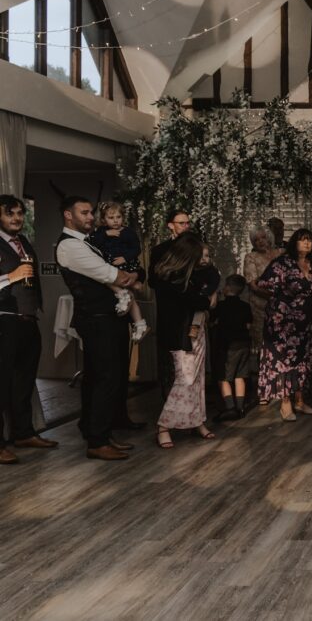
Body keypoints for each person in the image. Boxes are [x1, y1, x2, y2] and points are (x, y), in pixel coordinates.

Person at [56, 196, 138, 460]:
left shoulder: (87, 242)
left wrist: (131, 275)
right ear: (68, 215)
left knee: (98, 377)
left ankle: (96, 431)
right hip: (96, 318)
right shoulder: (70, 246)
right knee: (105, 378)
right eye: (84, 212)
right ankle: (97, 441)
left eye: (91, 212)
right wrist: (131, 277)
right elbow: (114, 275)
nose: (91, 217)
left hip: (105, 317)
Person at [0, 195, 56, 464]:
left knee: (23, 381)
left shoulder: (23, 242)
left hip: (27, 320)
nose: (16, 218)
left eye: (20, 213)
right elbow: (13, 277)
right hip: (4, 320)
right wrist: (10, 277)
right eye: (9, 213)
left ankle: (23, 433)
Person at [151, 233, 216, 448]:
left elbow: (210, 281)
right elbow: (199, 301)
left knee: (198, 379)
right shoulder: (171, 278)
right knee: (186, 379)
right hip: (180, 335)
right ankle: (164, 426)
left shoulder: (189, 275)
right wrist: (207, 299)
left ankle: (197, 421)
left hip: (195, 331)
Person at [257, 229, 312, 421]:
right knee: (283, 360)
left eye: (309, 240)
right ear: (294, 243)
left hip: (303, 321)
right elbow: (263, 283)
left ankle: (300, 401)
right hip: (282, 321)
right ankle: (285, 403)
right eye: (302, 240)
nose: (306, 243)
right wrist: (283, 296)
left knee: (302, 359)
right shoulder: (283, 262)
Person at [88, 201, 148, 342]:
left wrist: (124, 258)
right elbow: (91, 243)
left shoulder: (128, 232)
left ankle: (137, 320)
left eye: (118, 217)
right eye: (111, 218)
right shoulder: (100, 232)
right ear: (103, 220)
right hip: (109, 267)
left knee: (128, 291)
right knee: (104, 277)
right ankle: (139, 321)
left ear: (123, 218)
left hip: (126, 266)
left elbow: (136, 249)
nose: (115, 220)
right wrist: (106, 234)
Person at [149, 208, 191, 400]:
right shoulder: (160, 250)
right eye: (181, 223)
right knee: (168, 351)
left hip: (190, 307)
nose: (186, 226)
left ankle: (190, 398)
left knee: (189, 353)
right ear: (170, 225)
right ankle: (169, 397)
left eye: (187, 223)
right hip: (168, 308)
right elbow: (152, 281)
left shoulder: (195, 247)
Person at [211, 274, 252, 419]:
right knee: (240, 376)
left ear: (227, 288)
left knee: (222, 377)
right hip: (244, 344)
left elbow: (212, 320)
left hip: (228, 345)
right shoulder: (246, 306)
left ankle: (230, 407)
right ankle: (240, 408)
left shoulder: (221, 306)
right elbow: (249, 325)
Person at [242, 227, 283, 359]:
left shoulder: (281, 254)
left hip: (283, 307)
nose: (260, 241)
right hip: (261, 308)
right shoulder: (251, 257)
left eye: (263, 237)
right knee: (263, 344)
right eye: (256, 240)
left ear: (269, 238)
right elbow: (253, 286)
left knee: (282, 343)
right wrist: (274, 297)